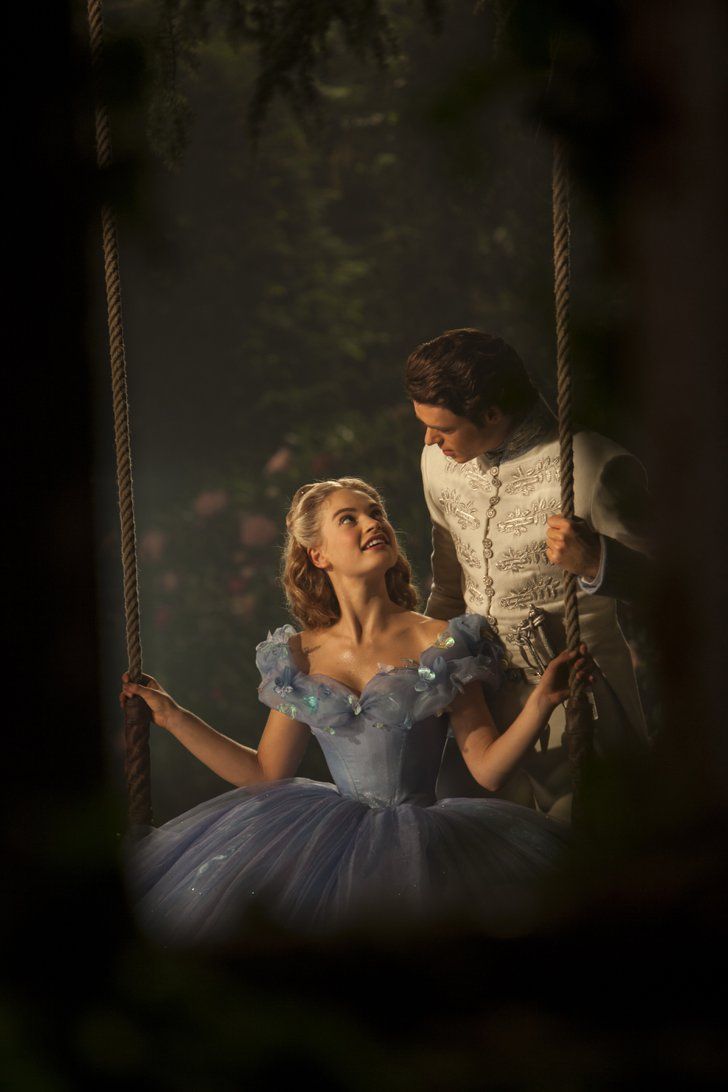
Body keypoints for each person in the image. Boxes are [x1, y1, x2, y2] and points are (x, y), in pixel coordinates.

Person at [123, 478, 591, 945]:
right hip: (323, 840)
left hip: (426, 843)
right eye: (349, 518)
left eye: (376, 512)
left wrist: (541, 703)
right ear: (318, 554)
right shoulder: (299, 654)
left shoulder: (444, 641)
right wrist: (172, 716)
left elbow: (487, 769)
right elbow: (266, 771)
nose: (372, 523)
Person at [405, 328, 651, 820]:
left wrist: (598, 561)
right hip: (483, 711)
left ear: (492, 414)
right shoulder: (437, 463)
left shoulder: (591, 463)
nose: (429, 439)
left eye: (443, 428)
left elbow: (681, 583)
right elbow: (450, 590)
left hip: (583, 704)